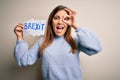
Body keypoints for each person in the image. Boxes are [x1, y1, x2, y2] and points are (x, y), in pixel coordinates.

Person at [14, 5, 102, 80]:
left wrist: (75, 25)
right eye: (56, 18)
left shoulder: (75, 40)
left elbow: (96, 48)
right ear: (51, 22)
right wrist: (20, 38)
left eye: (65, 19)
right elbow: (23, 61)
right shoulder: (42, 42)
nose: (60, 21)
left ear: (69, 23)